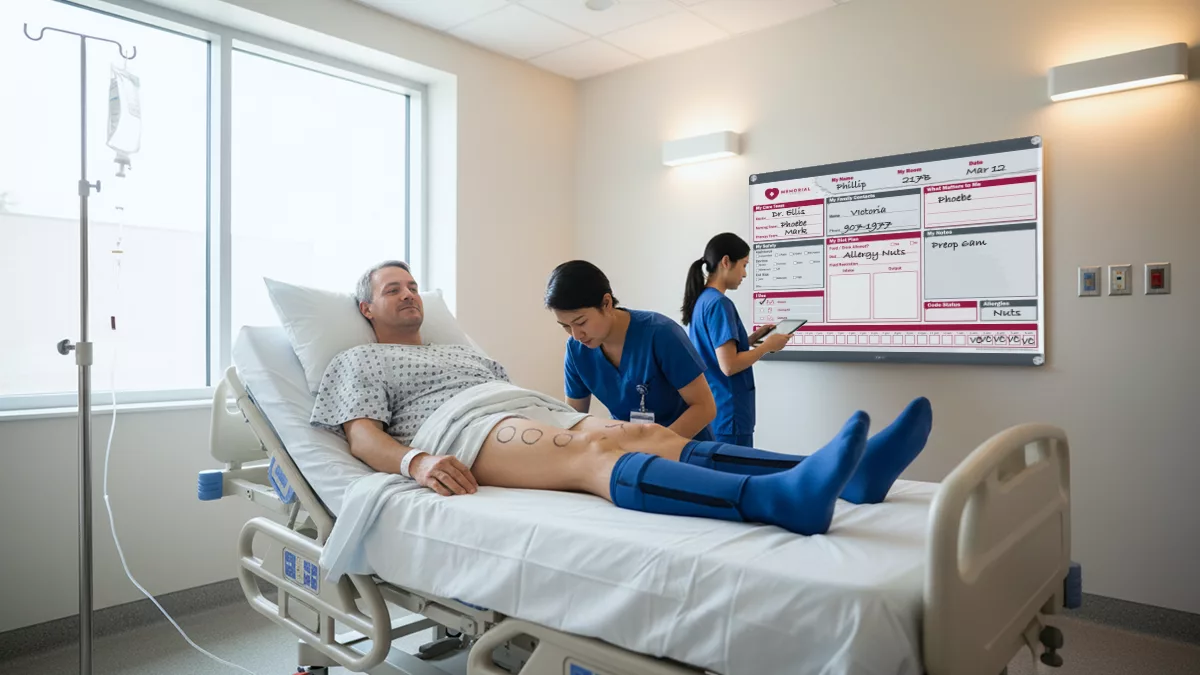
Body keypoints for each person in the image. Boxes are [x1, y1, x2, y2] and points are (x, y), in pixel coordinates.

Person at [309, 260, 933, 537]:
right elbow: (362, 436)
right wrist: (415, 462)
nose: (410, 294)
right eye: (394, 289)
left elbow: (674, 411)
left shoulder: (465, 352)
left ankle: (851, 476)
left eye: (415, 285)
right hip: (462, 429)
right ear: (366, 308)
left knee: (650, 435)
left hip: (513, 404)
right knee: (594, 451)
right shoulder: (358, 359)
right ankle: (772, 499)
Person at [543, 260, 717, 441]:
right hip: (632, 451)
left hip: (686, 449)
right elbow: (574, 420)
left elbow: (704, 407)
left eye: (581, 322)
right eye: (565, 326)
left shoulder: (661, 334)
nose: (576, 335)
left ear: (606, 303)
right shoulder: (576, 351)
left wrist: (655, 448)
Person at [682, 233, 788, 446]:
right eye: (744, 265)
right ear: (726, 262)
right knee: (736, 475)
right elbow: (729, 366)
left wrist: (750, 340)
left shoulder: (703, 300)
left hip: (716, 411)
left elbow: (716, 352)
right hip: (730, 415)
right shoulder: (719, 304)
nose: (745, 274)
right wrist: (767, 346)